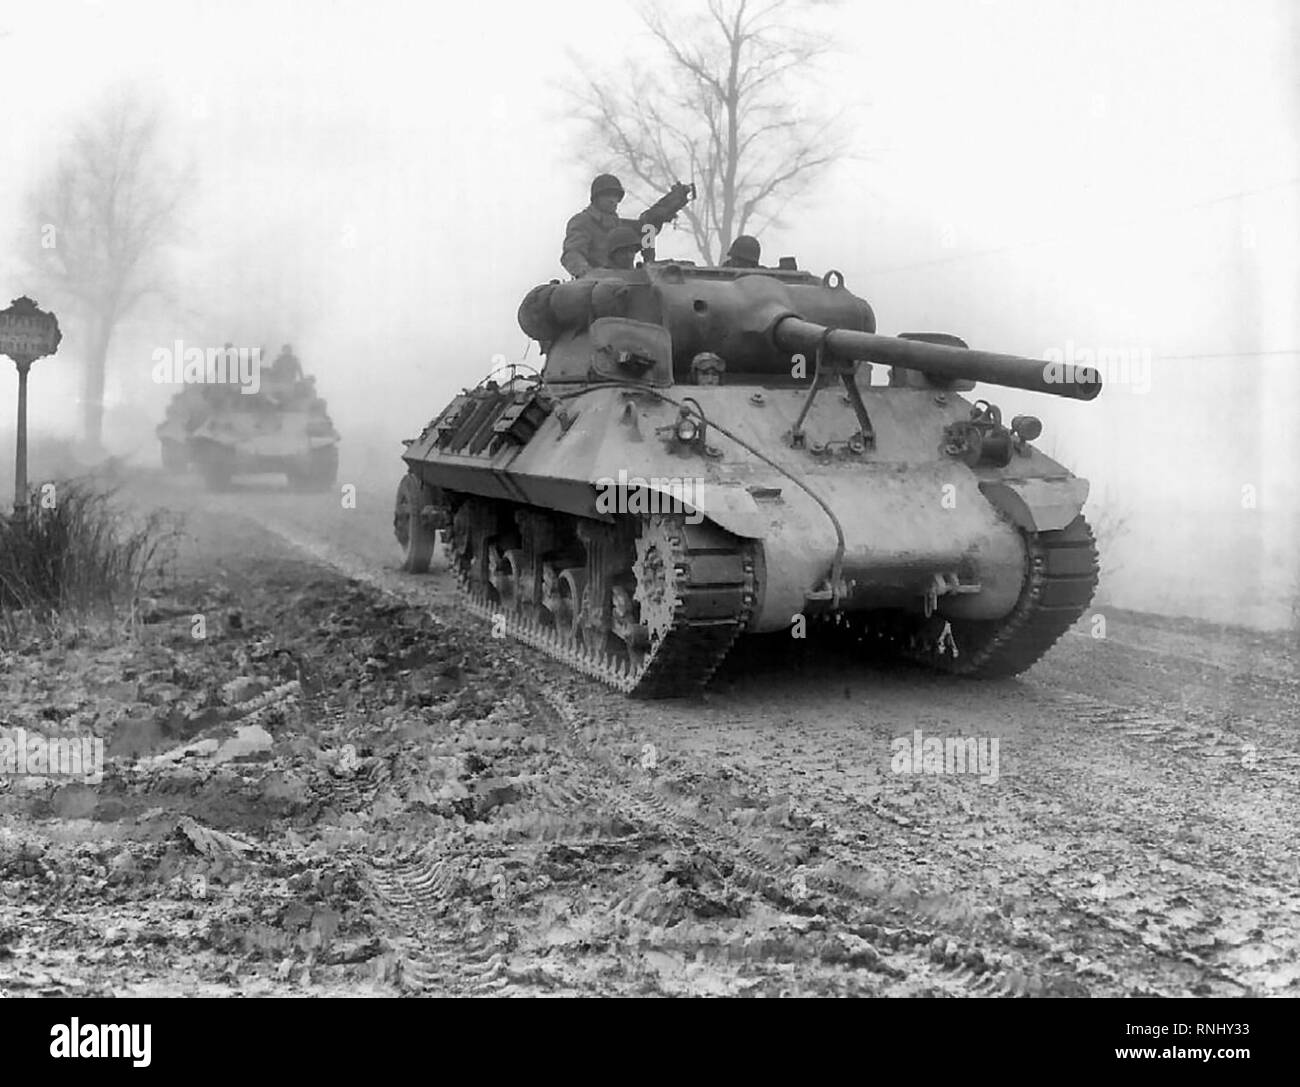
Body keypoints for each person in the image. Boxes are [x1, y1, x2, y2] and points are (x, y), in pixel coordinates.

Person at [560, 173, 693, 277]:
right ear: (596, 198)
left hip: (625, 282)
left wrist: (668, 206)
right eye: (608, 195)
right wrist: (588, 274)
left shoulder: (621, 226)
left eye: (616, 196)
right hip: (595, 290)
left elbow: (647, 228)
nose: (613, 200)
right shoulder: (582, 222)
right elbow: (572, 254)